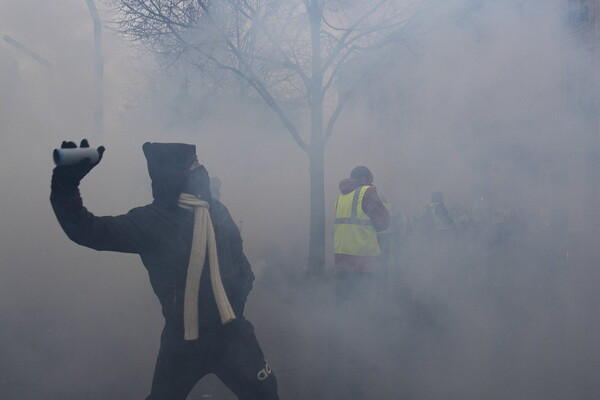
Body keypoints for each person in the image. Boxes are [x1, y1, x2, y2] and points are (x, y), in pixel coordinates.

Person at [50, 140, 279, 400]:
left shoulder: (216, 210)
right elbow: (86, 230)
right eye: (193, 164)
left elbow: (241, 262)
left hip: (233, 336)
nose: (201, 167)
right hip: (182, 343)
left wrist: (237, 301)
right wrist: (65, 184)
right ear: (176, 173)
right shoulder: (151, 221)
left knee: (266, 394)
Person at [333, 166, 390, 302]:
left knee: (345, 300)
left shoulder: (341, 196)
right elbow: (383, 222)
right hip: (363, 259)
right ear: (363, 178)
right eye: (370, 180)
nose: (371, 183)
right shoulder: (366, 192)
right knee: (363, 301)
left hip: (341, 257)